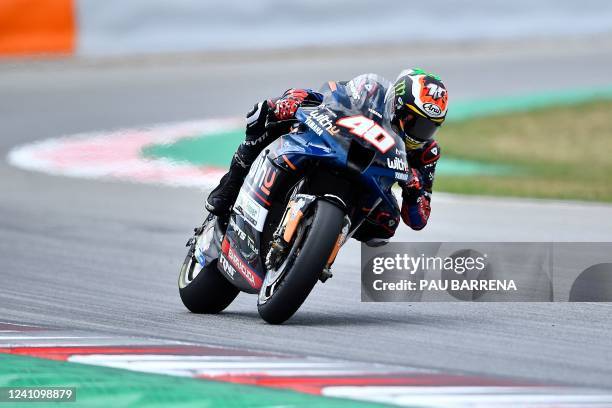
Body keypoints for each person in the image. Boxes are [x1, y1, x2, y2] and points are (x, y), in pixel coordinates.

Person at [205, 69, 448, 245]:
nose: (420, 131)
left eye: (429, 126)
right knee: (265, 112)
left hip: (371, 183)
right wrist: (298, 100)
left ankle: (324, 240)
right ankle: (230, 185)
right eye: (414, 120)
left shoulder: (426, 153)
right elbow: (335, 94)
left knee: (387, 225)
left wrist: (414, 188)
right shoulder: (372, 92)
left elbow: (419, 219)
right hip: (336, 146)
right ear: (396, 105)